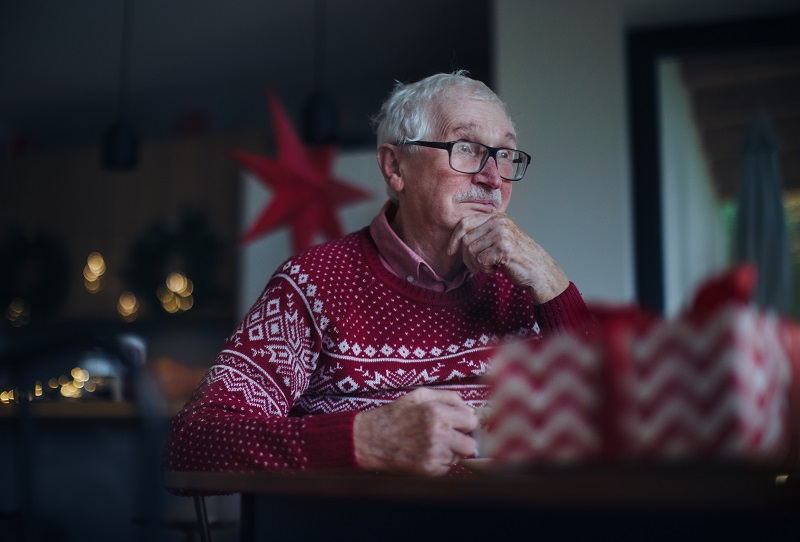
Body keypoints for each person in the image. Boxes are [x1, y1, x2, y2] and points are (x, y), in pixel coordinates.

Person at [165, 71, 591, 477]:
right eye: (466, 148)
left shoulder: (525, 285)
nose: (493, 177)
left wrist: (551, 282)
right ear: (395, 168)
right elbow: (194, 445)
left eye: (505, 154)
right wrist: (367, 441)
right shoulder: (313, 283)